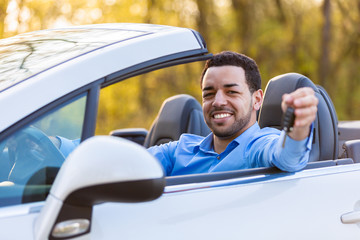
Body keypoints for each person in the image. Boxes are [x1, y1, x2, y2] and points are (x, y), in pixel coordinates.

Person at [148, 51, 318, 176]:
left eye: (231, 92)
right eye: (209, 94)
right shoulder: (179, 149)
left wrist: (299, 128)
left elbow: (288, 157)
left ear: (257, 99)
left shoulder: (258, 147)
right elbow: (132, 164)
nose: (218, 101)